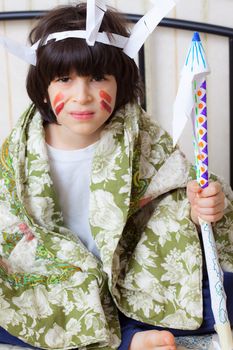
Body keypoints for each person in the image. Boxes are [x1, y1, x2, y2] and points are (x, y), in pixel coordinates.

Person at [0, 2, 232, 350]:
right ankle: (126, 339)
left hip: (132, 269)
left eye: (97, 78)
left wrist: (204, 204)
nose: (82, 96)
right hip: (56, 276)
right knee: (16, 305)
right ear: (43, 86)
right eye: (64, 79)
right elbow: (8, 219)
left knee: (219, 291)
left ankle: (118, 329)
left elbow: (179, 193)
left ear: (119, 81)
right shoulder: (20, 148)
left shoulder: (140, 134)